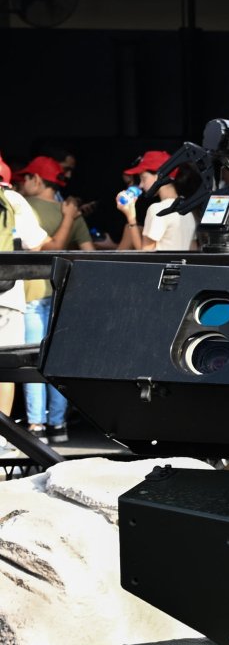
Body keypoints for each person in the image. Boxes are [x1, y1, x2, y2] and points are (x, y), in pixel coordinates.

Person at [16, 156, 94, 440]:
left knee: (29, 362)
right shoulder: (71, 213)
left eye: (25, 178)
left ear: (37, 180)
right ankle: (59, 424)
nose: (21, 184)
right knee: (57, 361)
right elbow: (89, 250)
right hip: (63, 294)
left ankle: (36, 425)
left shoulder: (20, 208)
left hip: (29, 294)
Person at [0, 155, 48, 434]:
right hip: (7, 296)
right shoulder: (14, 201)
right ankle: (3, 442)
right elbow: (38, 243)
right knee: (4, 370)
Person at [118, 150, 197, 252]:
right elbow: (193, 250)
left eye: (144, 178)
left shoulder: (157, 209)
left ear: (160, 176)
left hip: (161, 268)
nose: (141, 185)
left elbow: (145, 256)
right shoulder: (188, 210)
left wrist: (131, 218)